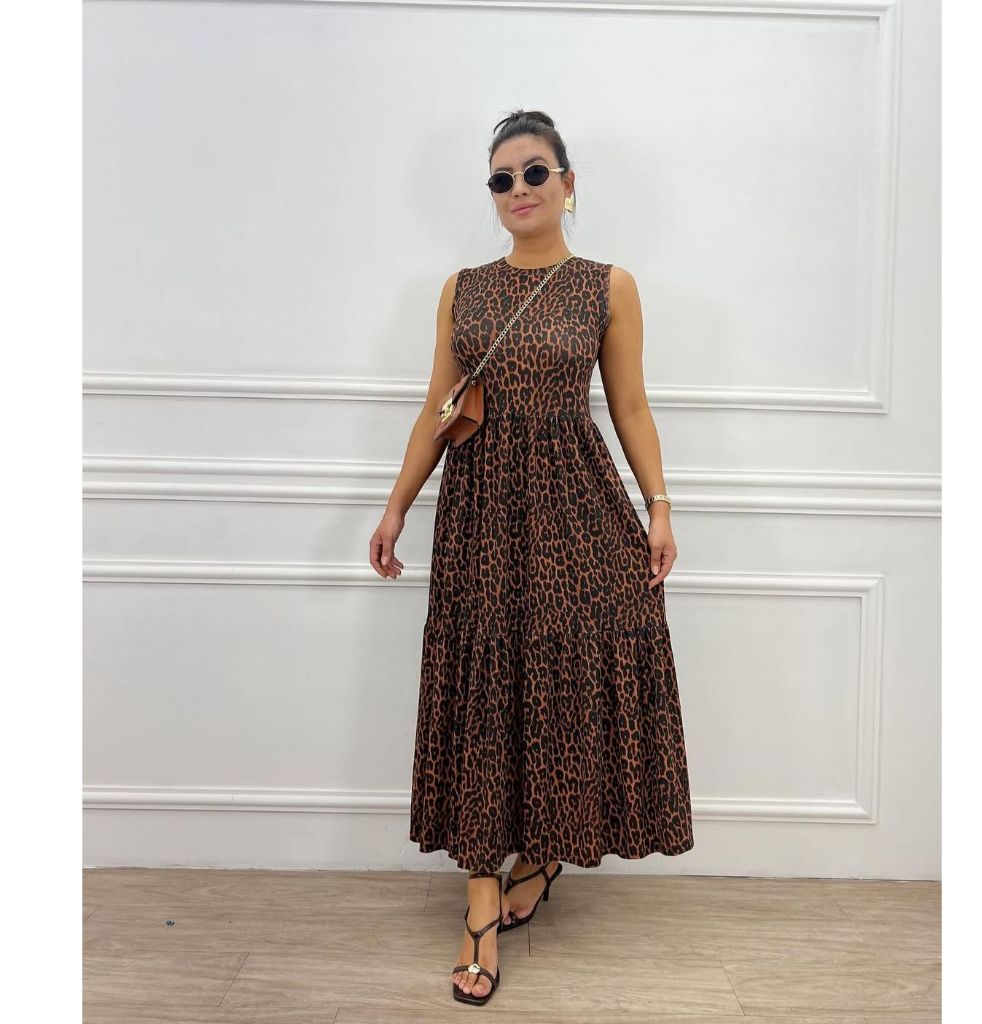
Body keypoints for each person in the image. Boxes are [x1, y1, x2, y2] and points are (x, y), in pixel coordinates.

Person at [368, 108, 694, 1005]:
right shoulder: (463, 289)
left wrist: (659, 508)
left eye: (534, 172)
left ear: (567, 183)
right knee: (484, 694)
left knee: (565, 685)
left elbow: (631, 408)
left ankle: (543, 856)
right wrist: (395, 507)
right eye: (501, 178)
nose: (518, 189)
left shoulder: (607, 286)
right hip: (479, 519)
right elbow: (437, 407)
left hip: (576, 511)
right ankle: (480, 903)